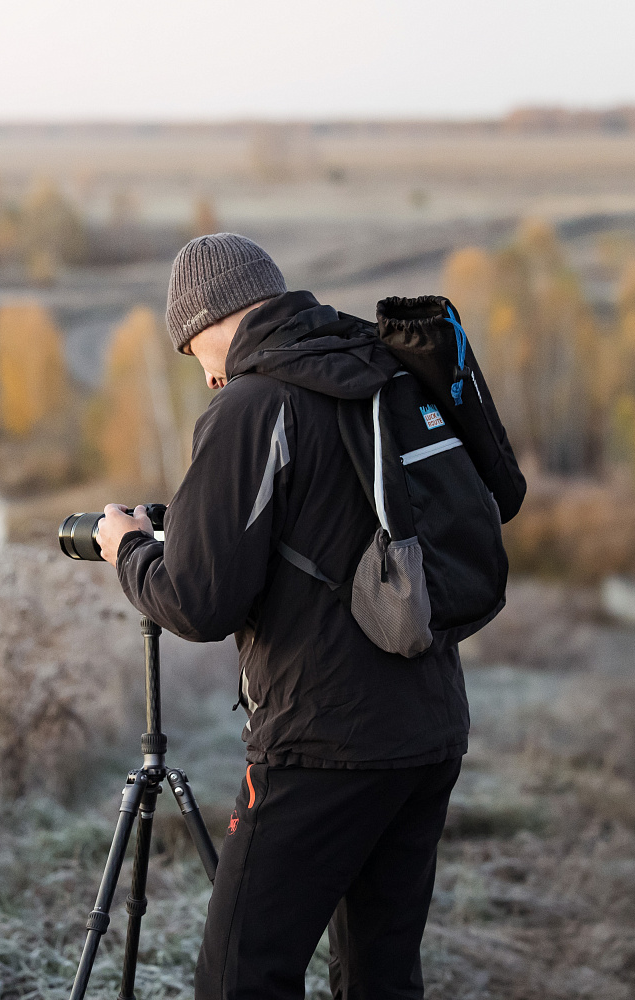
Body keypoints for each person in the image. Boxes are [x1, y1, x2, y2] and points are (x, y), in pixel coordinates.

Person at [94, 233, 467, 1000]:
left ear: (208, 320)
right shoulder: (374, 370)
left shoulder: (253, 404)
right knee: (380, 978)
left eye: (191, 347)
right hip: (428, 729)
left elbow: (198, 600)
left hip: (322, 744)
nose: (201, 371)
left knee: (241, 978)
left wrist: (127, 551)